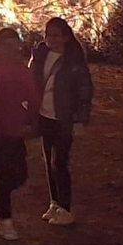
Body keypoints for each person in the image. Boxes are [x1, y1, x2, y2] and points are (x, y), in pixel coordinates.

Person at [0, 26, 42, 240]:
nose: (12, 50)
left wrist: (32, 121)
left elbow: (33, 98)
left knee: (20, 175)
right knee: (4, 174)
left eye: (15, 46)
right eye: (7, 46)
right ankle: (5, 221)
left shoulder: (22, 70)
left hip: (14, 131)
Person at [30, 17, 93, 225]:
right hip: (45, 114)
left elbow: (84, 90)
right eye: (48, 34)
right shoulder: (40, 55)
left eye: (56, 35)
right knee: (49, 161)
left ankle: (65, 207)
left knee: (60, 161)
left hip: (63, 118)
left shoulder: (73, 61)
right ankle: (54, 203)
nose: (51, 39)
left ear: (65, 37)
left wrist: (80, 119)